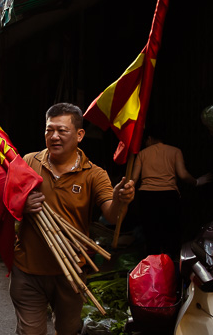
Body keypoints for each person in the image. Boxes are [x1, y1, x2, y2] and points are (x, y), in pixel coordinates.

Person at [10, 103, 135, 335]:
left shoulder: (94, 174)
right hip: (28, 271)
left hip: (71, 274)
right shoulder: (28, 162)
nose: (54, 136)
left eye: (62, 131)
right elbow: (6, 200)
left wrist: (120, 200)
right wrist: (21, 204)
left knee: (67, 330)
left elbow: (112, 214)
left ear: (79, 135)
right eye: (49, 130)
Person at [131, 126, 212, 258]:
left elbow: (134, 179)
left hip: (147, 197)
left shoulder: (142, 154)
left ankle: (153, 267)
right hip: (168, 196)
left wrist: (125, 188)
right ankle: (172, 265)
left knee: (151, 234)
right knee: (171, 232)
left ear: (150, 139)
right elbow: (183, 175)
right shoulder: (175, 151)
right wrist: (197, 182)